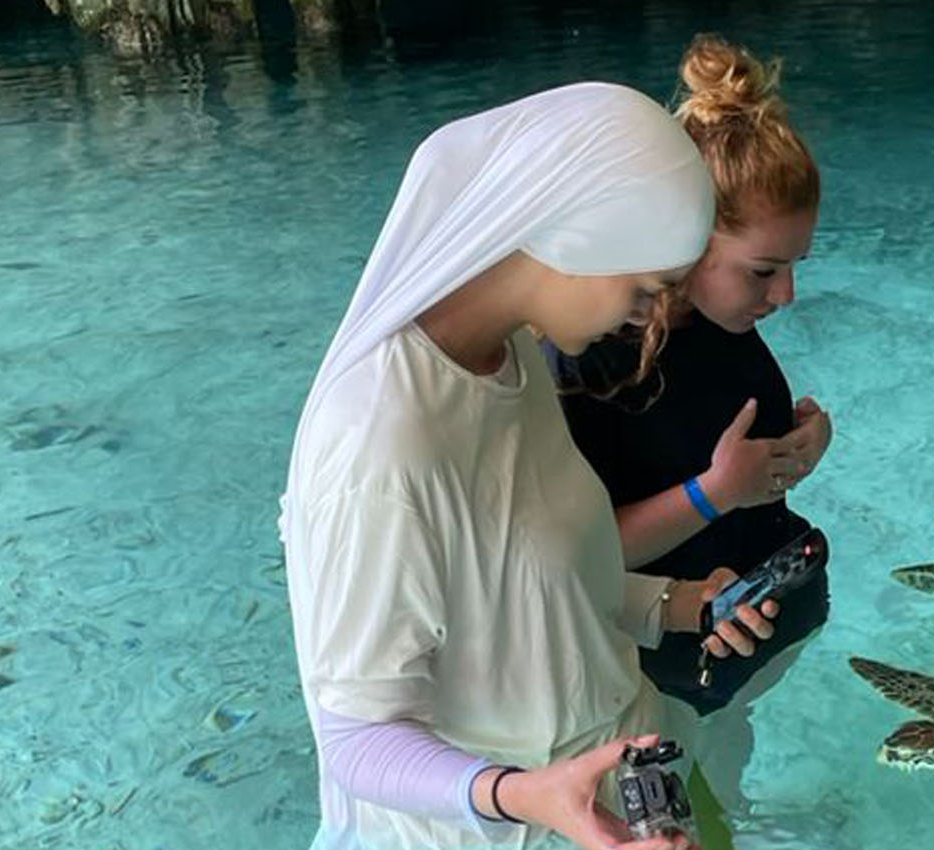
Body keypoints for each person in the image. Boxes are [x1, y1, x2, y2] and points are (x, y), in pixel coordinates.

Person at [279, 81, 783, 850]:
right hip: (510, 826)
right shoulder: (379, 443)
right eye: (645, 289)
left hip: (631, 777)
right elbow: (356, 740)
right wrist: (522, 795)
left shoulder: (510, 356)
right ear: (574, 242)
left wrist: (678, 605)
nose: (649, 316)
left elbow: (524, 585)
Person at [546, 36, 829, 840]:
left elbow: (742, 458)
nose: (787, 293)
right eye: (764, 269)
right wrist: (716, 492)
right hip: (656, 656)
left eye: (796, 265)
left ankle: (731, 805)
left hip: (743, 630)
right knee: (666, 822)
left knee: (720, 767)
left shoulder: (724, 319)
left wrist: (801, 448)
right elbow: (575, 552)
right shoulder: (596, 352)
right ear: (689, 240)